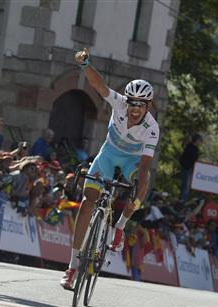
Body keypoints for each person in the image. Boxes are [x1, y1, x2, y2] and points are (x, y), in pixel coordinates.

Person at [60, 48, 159, 290]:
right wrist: (85, 65)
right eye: (132, 103)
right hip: (108, 155)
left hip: (132, 163)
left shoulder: (152, 128)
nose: (135, 109)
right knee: (87, 202)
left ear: (148, 105)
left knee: (143, 182)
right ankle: (72, 267)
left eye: (141, 105)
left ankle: (120, 226)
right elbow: (99, 85)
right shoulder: (119, 103)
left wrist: (136, 188)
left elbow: (144, 167)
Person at [179, 134, 202, 201]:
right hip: (186, 169)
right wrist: (186, 165)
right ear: (197, 140)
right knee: (185, 186)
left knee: (188, 186)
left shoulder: (196, 149)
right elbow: (182, 158)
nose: (200, 142)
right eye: (199, 140)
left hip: (192, 170)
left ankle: (184, 200)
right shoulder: (189, 147)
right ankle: (182, 200)